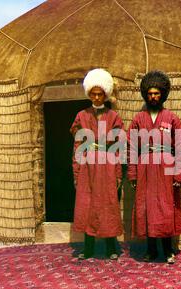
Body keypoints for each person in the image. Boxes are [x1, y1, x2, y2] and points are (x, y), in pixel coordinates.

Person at [127, 70, 181, 264]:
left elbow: (180, 147)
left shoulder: (172, 119)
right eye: (150, 93)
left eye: (157, 93)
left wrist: (179, 175)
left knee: (165, 208)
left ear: (162, 94)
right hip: (145, 169)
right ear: (146, 95)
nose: (153, 97)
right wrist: (133, 174)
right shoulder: (138, 120)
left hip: (166, 168)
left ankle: (168, 250)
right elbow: (131, 149)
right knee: (148, 209)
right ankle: (151, 250)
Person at [70, 68, 124, 260]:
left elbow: (118, 148)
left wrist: (118, 173)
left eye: (100, 94)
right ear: (89, 94)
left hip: (107, 166)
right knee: (87, 205)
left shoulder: (114, 117)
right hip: (87, 167)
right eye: (93, 94)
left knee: (108, 204)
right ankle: (89, 248)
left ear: (106, 94)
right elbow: (77, 146)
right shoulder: (81, 116)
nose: (96, 97)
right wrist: (76, 173)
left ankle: (111, 248)